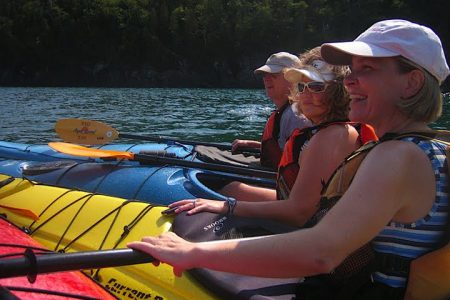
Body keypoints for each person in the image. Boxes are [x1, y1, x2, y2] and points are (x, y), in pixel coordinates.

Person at [128, 19, 450, 299]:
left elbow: (321, 253)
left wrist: (191, 252)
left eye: (368, 69)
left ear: (412, 82)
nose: (349, 81)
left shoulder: (398, 156)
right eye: (351, 70)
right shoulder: (426, 148)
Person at [162, 46, 377, 228]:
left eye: (317, 87)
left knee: (227, 190)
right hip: (305, 210)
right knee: (231, 188)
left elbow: (299, 212)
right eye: (302, 87)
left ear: (338, 91)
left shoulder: (328, 137)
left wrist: (227, 205)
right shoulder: (337, 131)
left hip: (310, 229)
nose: (307, 94)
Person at [196, 52, 312, 171]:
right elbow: (287, 150)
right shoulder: (287, 111)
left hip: (280, 181)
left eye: (274, 74)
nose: (266, 79)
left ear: (294, 78)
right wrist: (253, 145)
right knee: (204, 152)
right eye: (264, 75)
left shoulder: (296, 116)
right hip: (274, 171)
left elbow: (304, 168)